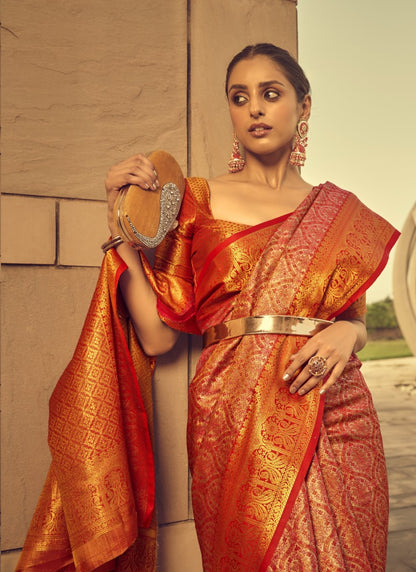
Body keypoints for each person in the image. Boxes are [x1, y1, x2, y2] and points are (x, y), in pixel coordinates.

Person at [17, 44, 399, 571]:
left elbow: (353, 320)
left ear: (304, 106)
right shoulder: (198, 200)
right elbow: (158, 337)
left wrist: (346, 336)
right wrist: (121, 226)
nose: (255, 109)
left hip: (337, 411)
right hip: (233, 416)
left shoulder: (341, 214)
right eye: (239, 98)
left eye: (271, 93)